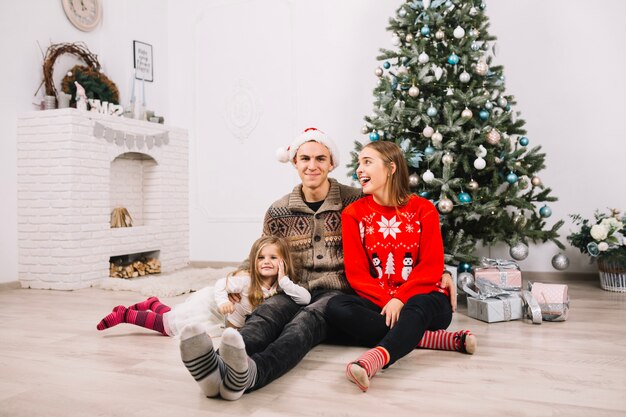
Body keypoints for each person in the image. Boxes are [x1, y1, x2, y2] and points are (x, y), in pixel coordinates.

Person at [178, 128, 473, 401]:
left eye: (320, 158)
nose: (312, 165)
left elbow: (395, 215)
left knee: (302, 325)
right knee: (266, 315)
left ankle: (252, 374)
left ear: (331, 164)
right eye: (305, 158)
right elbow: (262, 249)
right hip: (292, 286)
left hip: (334, 290)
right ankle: (217, 367)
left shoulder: (355, 198)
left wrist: (440, 273)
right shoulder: (279, 210)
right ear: (294, 162)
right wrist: (240, 275)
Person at [326, 140, 475, 392]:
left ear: (391, 168)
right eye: (359, 163)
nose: (359, 170)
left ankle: (376, 359)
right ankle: (429, 338)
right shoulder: (353, 214)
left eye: (367, 162)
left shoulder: (423, 209)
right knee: (336, 307)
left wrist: (402, 297)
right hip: (381, 303)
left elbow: (431, 266)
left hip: (426, 301)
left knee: (418, 305)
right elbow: (357, 274)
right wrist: (389, 299)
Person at [96, 236, 310, 337]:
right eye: (261, 257)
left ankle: (152, 302)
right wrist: (224, 301)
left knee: (180, 318)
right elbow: (219, 284)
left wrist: (284, 281)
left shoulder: (281, 287)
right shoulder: (246, 280)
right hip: (212, 306)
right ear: (253, 260)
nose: (266, 261)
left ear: (283, 262)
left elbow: (305, 299)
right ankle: (125, 315)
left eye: (273, 257)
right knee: (169, 326)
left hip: (225, 320)